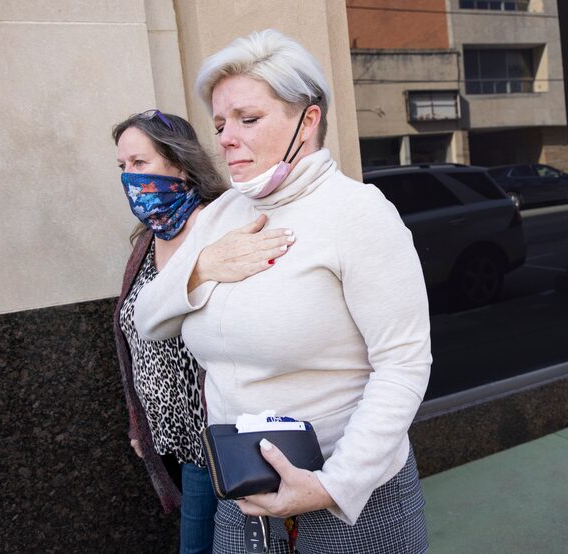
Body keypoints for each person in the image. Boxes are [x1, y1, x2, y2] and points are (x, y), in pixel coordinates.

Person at [132, 29, 432, 554]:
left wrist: (331, 485)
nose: (225, 137)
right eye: (221, 123)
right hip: (243, 494)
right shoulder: (223, 214)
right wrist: (200, 267)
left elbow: (403, 362)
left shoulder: (358, 214)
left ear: (307, 121)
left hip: (352, 501)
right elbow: (149, 319)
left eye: (248, 120)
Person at [112, 110, 293, 553]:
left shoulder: (222, 226)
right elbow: (130, 336)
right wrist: (141, 424)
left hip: (213, 436)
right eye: (122, 168)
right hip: (168, 435)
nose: (129, 178)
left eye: (140, 163)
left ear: (178, 162)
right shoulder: (145, 241)